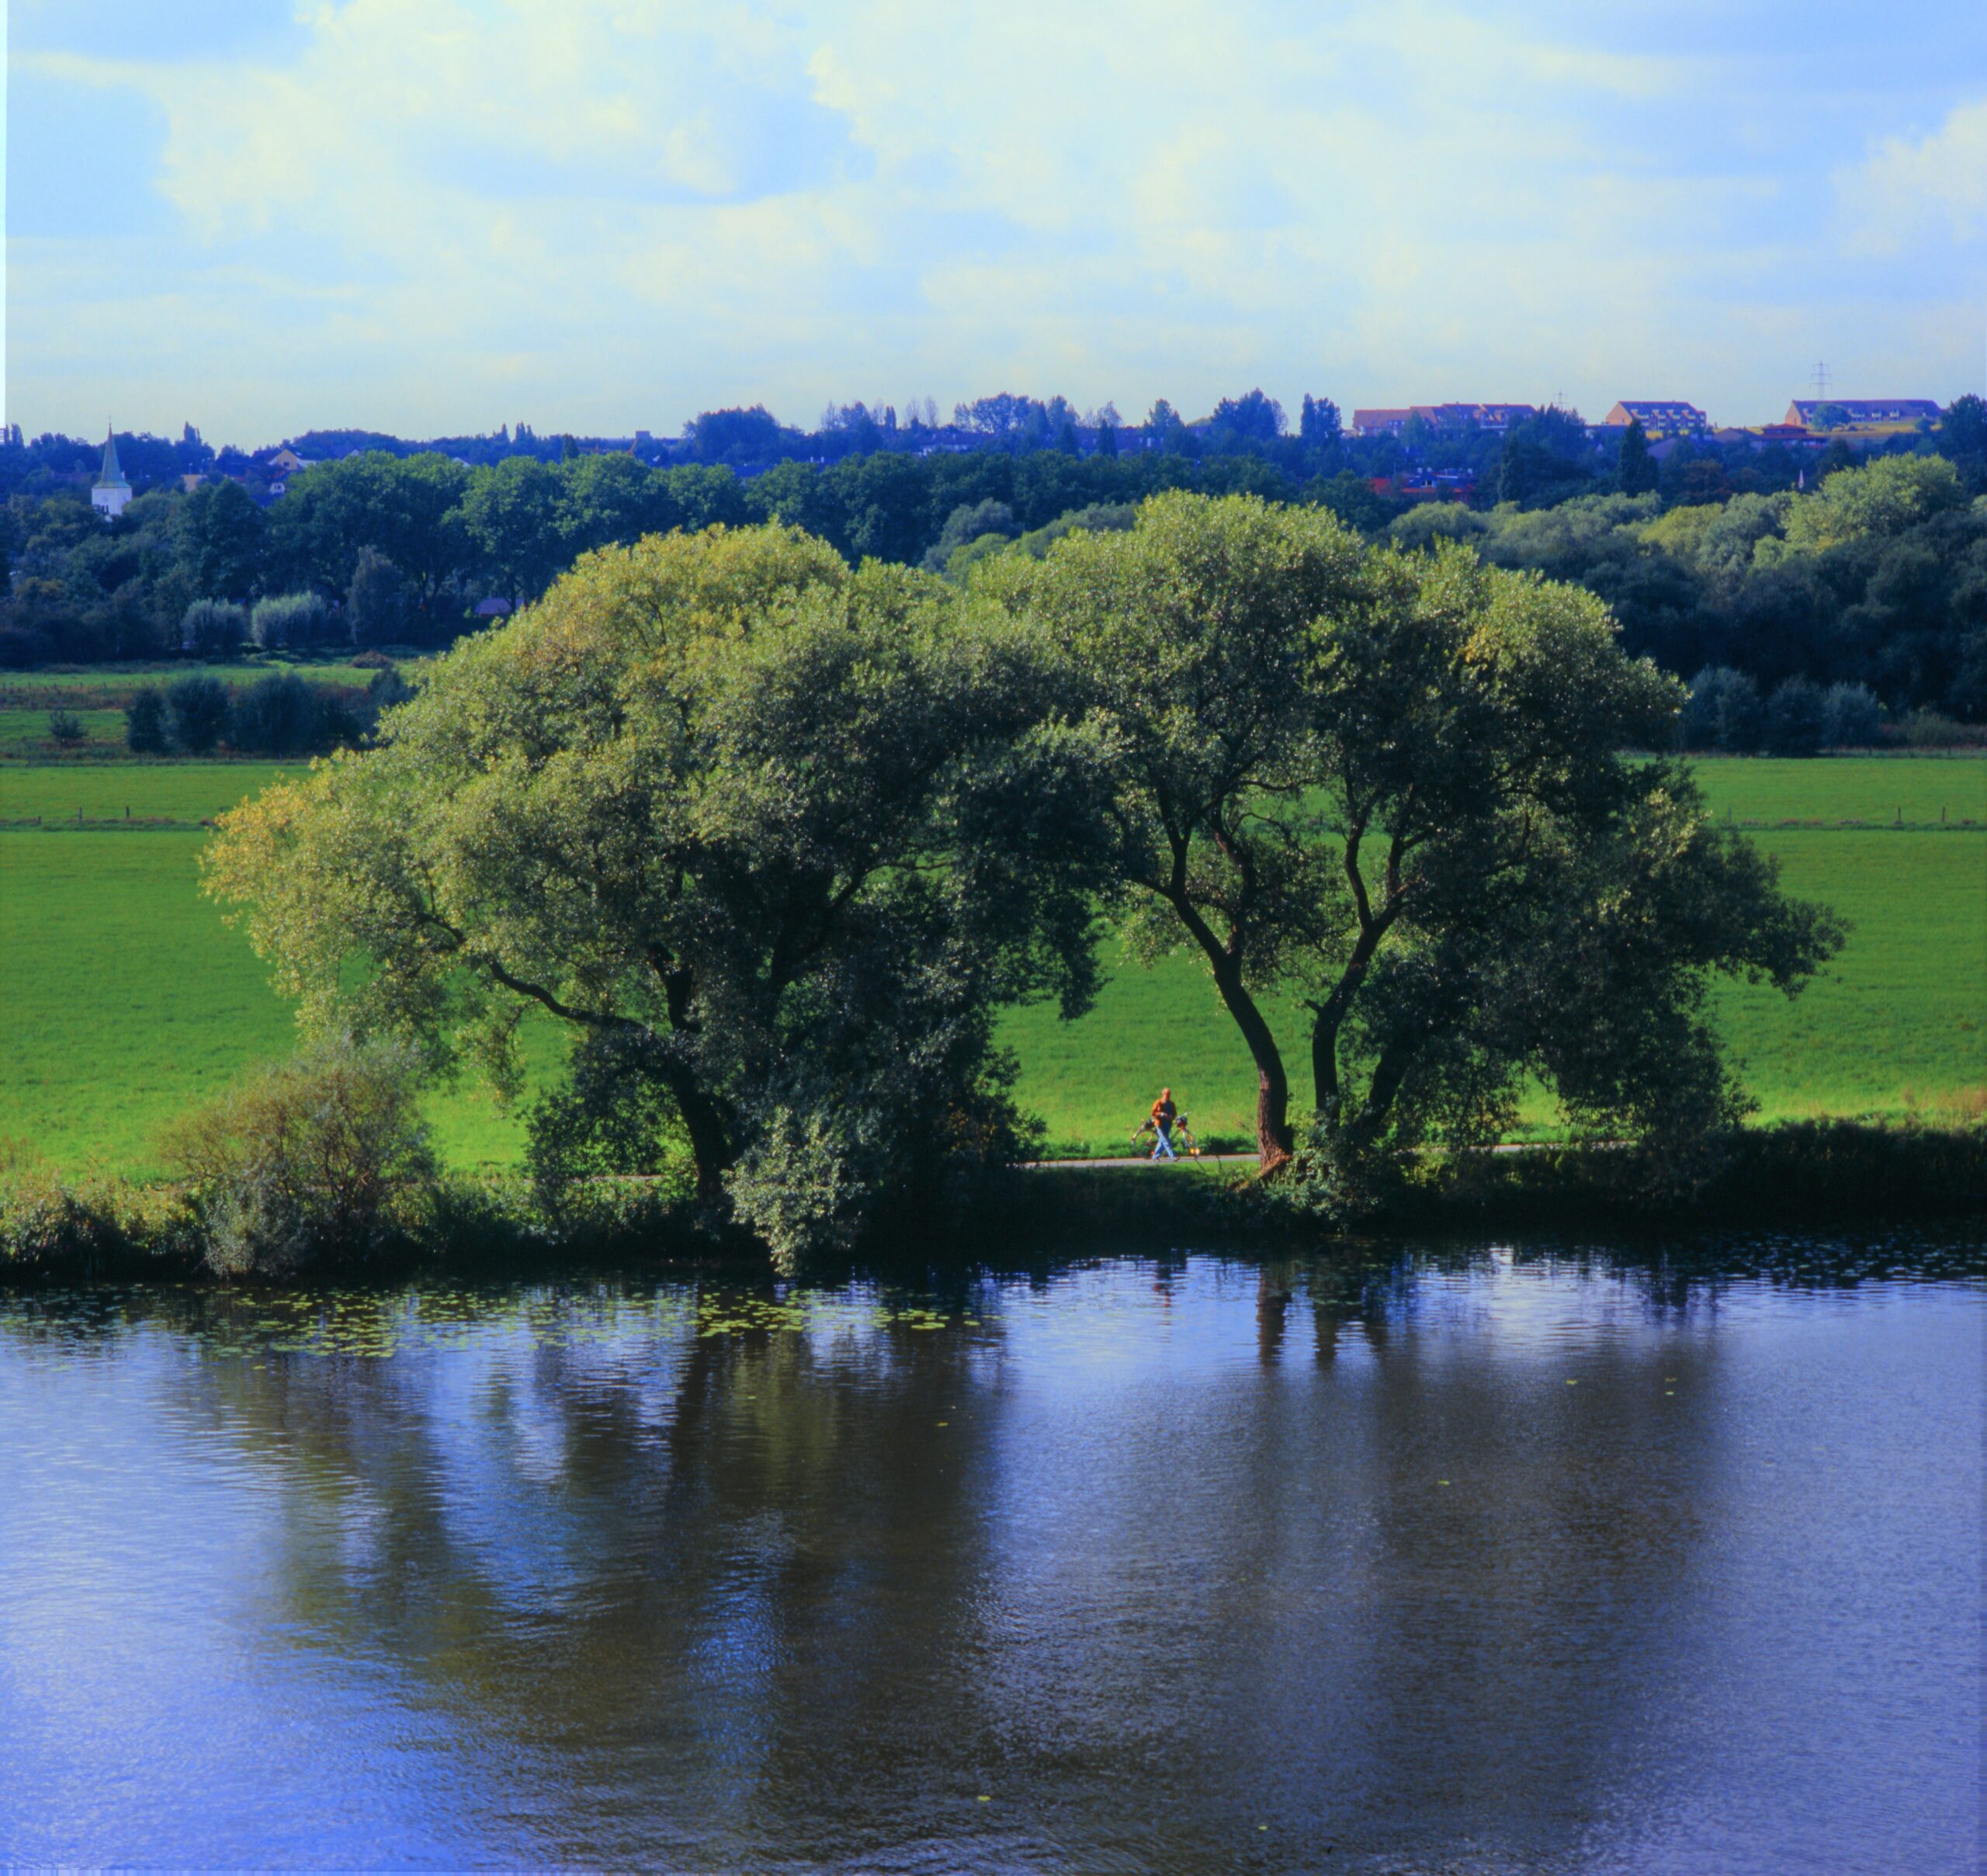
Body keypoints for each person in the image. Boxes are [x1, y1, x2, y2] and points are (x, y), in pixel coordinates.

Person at [1150, 1087, 1178, 1161]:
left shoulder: (1172, 1104)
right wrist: (1161, 1114)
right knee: (1166, 1140)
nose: (1168, 1096)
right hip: (1160, 1124)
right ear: (1163, 1094)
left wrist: (1172, 1117)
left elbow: (1175, 1114)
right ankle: (1173, 1156)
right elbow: (1153, 1113)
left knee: (1162, 1141)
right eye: (1166, 1094)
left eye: (1169, 1094)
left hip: (1168, 1124)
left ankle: (1155, 1156)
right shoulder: (1158, 1103)